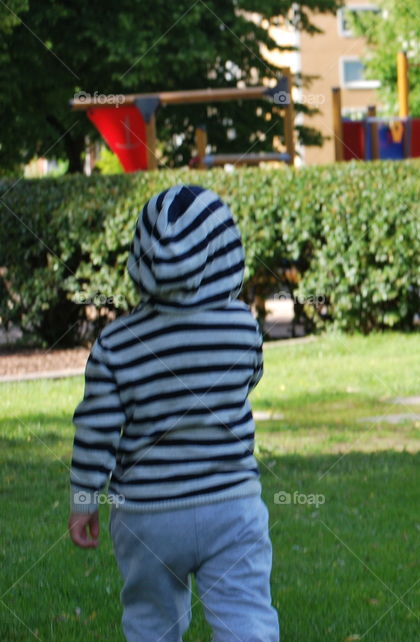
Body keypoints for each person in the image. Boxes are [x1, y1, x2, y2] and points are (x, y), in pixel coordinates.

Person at [67, 185, 279, 641]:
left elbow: (96, 431)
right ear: (224, 253)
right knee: (246, 617)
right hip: (231, 503)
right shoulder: (242, 328)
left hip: (147, 513)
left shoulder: (116, 343)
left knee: (151, 623)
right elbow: (249, 379)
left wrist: (84, 500)